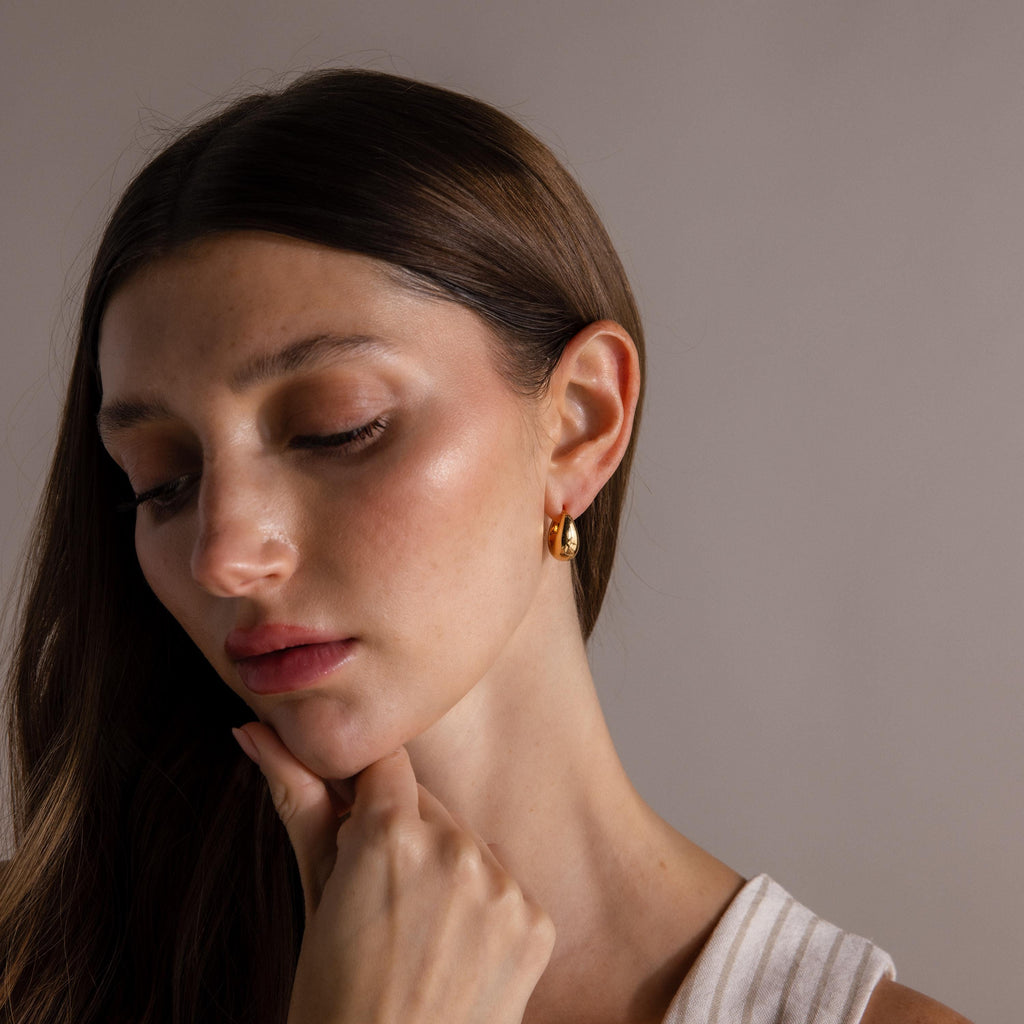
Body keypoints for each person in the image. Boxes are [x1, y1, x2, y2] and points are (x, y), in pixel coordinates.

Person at [0, 69, 970, 1024]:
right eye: (161, 479)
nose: (221, 555)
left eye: (338, 427)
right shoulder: (32, 970)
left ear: (580, 420)